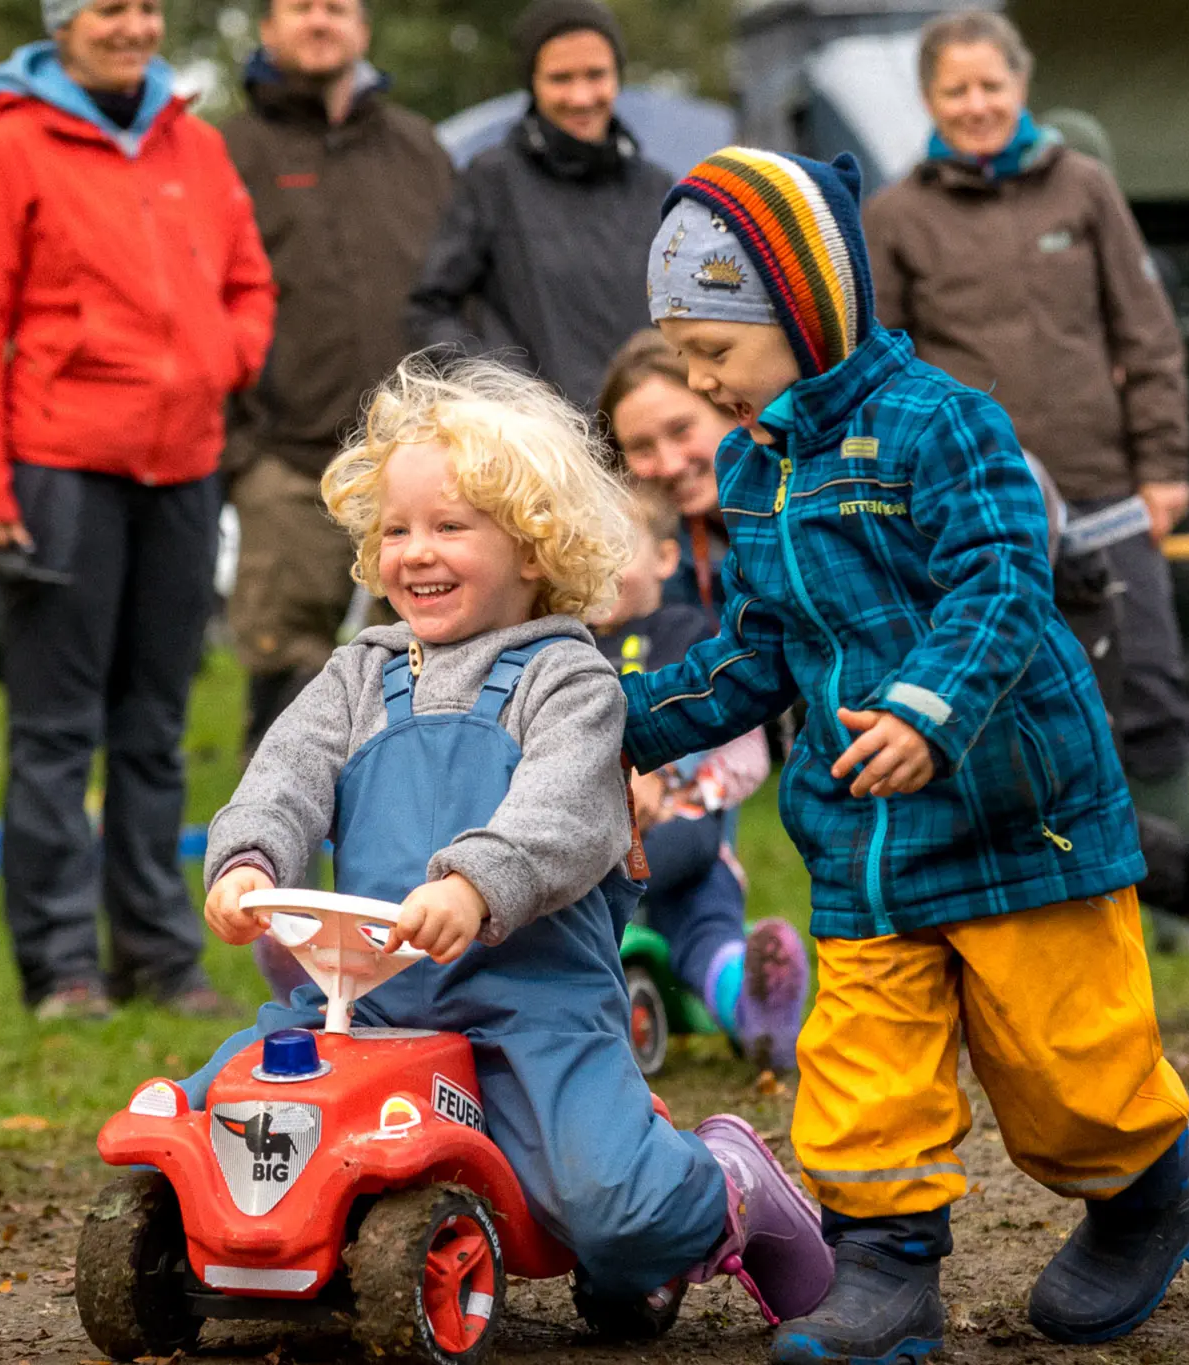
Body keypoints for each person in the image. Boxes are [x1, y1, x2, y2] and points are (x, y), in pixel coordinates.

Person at [626, 146, 1189, 1361]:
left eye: (714, 351)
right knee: (859, 1063)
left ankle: (1145, 1196)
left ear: (803, 310)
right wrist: (609, 724)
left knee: (1066, 1076)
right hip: (859, 837)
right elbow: (754, 652)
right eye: (682, 355)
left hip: (1013, 815)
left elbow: (1003, 581)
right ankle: (885, 1271)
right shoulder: (752, 468)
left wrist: (926, 707)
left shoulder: (944, 425)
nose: (699, 381)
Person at [187, 355, 833, 1328]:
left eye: (450, 527)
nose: (416, 551)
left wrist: (475, 885)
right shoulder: (356, 676)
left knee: (605, 1204)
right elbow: (283, 778)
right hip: (362, 1003)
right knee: (215, 1107)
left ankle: (724, 1183)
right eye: (396, 529)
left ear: (531, 548)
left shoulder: (565, 679)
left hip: (529, 1007)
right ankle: (227, 1250)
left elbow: (566, 811)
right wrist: (248, 862)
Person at [860, 9, 1189, 1022]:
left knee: (1143, 699)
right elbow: (883, 370)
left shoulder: (1082, 189)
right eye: (953, 91)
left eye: (988, 88)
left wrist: (1161, 467)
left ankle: (1183, 913)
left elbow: (1146, 332)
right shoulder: (896, 216)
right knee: (1008, 728)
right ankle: (1071, 926)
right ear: (927, 100)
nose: (973, 106)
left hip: (1101, 496)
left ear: (1020, 86)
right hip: (972, 512)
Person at [0, 0, 276, 1021]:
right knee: (54, 733)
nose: (130, 27)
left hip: (181, 468)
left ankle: (160, 955)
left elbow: (249, 285)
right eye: (106, 10)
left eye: (143, 8)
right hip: (59, 468)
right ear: (63, 25)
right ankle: (61, 966)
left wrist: (219, 362)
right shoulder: (7, 148)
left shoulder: (198, 143)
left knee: (156, 730)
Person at [221, 0, 454, 757]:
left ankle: (415, 866)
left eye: (337, 7)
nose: (320, 21)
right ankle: (275, 867)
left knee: (431, 674)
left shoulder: (419, 147)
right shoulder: (229, 152)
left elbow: (459, 291)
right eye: (300, 7)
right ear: (267, 27)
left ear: (364, 27)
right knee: (288, 686)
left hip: (416, 461)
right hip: (285, 464)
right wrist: (241, 453)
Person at [590, 485, 808, 1072]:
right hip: (592, 837)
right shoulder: (562, 646)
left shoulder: (687, 634)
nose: (599, 567)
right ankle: (577, 1008)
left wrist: (670, 780)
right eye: (581, 551)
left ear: (664, 559)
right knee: (582, 891)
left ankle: (752, 1001)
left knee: (704, 925)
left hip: (680, 833)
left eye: (615, 549)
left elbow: (727, 729)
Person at [405, 0, 674, 407]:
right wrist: (507, 392)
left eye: (596, 75)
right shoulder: (493, 179)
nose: (581, 97)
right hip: (544, 446)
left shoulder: (654, 187)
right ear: (533, 84)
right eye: (560, 78)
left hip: (646, 442)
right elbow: (429, 311)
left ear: (618, 77)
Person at [599, 330, 734, 631]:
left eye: (681, 429)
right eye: (641, 448)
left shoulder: (813, 505)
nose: (670, 465)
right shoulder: (645, 564)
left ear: (731, 409)